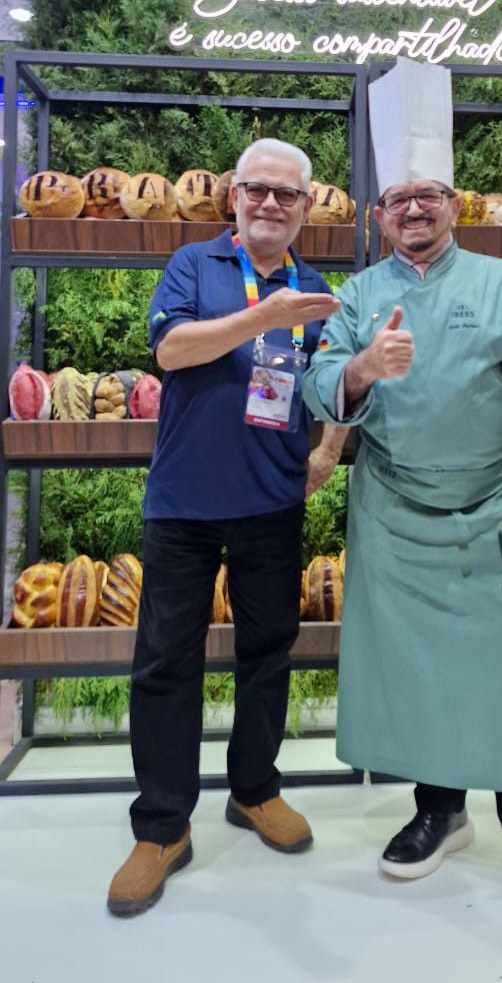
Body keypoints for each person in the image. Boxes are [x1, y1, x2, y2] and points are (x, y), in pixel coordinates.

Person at [303, 58, 502, 925]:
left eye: (430, 194)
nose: (416, 209)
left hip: (491, 508)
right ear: (381, 214)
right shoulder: (357, 295)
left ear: (453, 206)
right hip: (393, 514)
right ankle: (438, 812)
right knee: (421, 676)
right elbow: (319, 387)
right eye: (400, 198)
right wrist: (360, 366)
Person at [108, 138, 345, 917]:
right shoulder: (194, 265)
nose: (271, 203)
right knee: (165, 662)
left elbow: (327, 385)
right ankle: (163, 826)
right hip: (181, 500)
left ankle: (254, 791)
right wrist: (262, 316)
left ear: (307, 207)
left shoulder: (316, 289)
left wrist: (327, 447)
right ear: (235, 198)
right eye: (258, 190)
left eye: (287, 194)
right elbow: (173, 350)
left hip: (271, 502)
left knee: (268, 655)